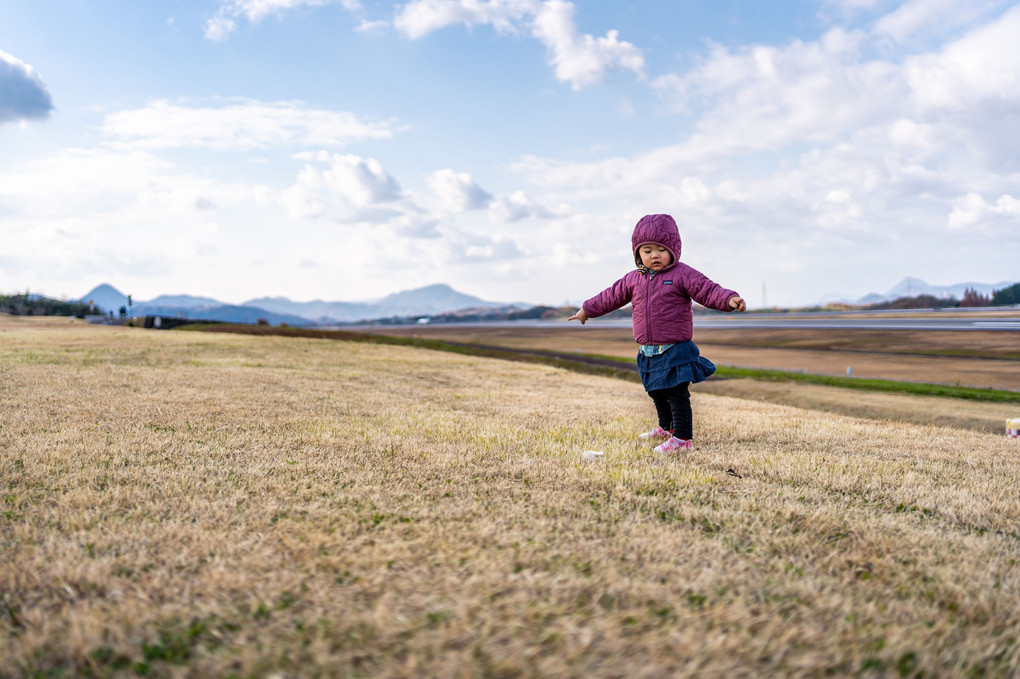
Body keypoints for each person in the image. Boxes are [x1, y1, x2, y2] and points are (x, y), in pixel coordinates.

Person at [569, 214, 746, 454]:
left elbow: (707, 289)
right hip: (648, 349)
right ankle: (666, 428)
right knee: (656, 391)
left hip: (675, 348)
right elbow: (610, 296)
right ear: (637, 254)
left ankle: (682, 439)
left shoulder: (683, 274)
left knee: (676, 393)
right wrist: (586, 310)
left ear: (673, 250)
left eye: (661, 249)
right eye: (647, 250)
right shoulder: (633, 279)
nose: (654, 255)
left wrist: (729, 299)